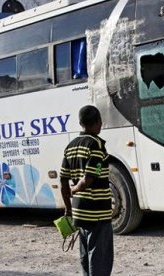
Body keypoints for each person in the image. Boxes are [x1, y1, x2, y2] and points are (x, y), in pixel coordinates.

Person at [60, 105, 113, 276]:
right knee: (100, 259)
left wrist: (68, 208)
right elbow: (90, 178)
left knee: (85, 257)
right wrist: (74, 190)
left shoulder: (70, 147)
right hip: (98, 211)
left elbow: (62, 181)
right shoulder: (97, 145)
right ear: (98, 121)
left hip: (79, 212)